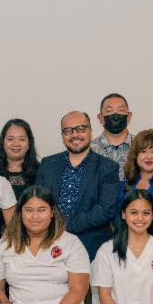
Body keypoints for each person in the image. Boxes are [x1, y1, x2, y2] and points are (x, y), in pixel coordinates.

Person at [34, 111, 121, 259]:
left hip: (91, 248)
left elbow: (105, 210)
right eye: (67, 130)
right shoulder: (48, 164)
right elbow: (38, 202)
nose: (74, 134)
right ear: (62, 135)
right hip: (48, 244)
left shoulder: (107, 168)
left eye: (80, 128)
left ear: (90, 132)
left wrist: (64, 226)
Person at [0, 118, 40, 202]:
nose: (16, 144)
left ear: (29, 144)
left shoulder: (41, 172)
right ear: (3, 143)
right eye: (10, 139)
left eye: (21, 139)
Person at [91, 93, 135, 168]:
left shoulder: (141, 146)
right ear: (100, 118)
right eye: (109, 111)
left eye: (120, 110)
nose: (115, 115)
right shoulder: (90, 150)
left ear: (129, 116)